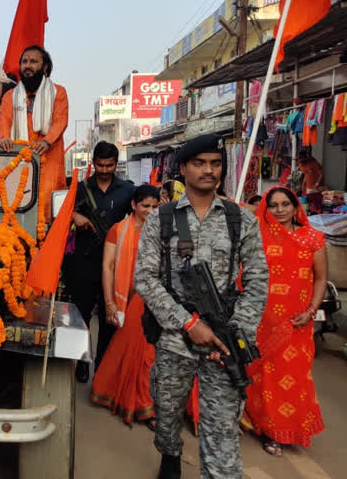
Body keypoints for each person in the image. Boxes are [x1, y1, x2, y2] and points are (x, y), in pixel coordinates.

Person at [135, 133, 269, 479]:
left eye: (216, 164)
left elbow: (257, 280)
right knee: (166, 416)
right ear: (183, 168)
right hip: (174, 340)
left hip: (224, 343)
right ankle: (170, 453)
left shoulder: (241, 220)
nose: (209, 170)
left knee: (223, 435)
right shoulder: (162, 219)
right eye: (200, 163)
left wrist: (231, 334)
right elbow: (146, 279)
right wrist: (189, 324)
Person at [244, 187, 327, 456]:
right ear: (266, 209)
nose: (280, 210)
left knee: (294, 377)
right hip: (262, 320)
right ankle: (269, 430)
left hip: (297, 322)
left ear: (295, 207)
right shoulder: (257, 238)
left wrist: (312, 310)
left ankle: (287, 426)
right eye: (274, 205)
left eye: (285, 204)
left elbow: (320, 279)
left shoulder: (312, 239)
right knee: (264, 378)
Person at [90, 185, 160, 427]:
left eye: (155, 206)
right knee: (129, 350)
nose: (150, 211)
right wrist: (110, 303)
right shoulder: (118, 230)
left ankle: (144, 405)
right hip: (125, 299)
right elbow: (107, 267)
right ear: (133, 205)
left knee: (148, 354)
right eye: (145, 206)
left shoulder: (163, 232)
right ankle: (123, 397)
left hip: (152, 299)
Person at [68, 141, 135, 381]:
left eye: (109, 165)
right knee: (82, 316)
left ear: (116, 164)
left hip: (116, 264)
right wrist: (75, 216)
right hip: (84, 262)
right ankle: (83, 360)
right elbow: (61, 214)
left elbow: (137, 219)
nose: (105, 170)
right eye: (100, 165)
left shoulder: (127, 190)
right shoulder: (80, 189)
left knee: (110, 318)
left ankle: (103, 366)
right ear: (93, 163)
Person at [0, 46, 68, 221]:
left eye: (33, 61)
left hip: (48, 159)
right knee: (17, 210)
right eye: (24, 62)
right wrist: (4, 138)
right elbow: (4, 121)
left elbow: (61, 121)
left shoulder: (58, 93)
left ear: (45, 67)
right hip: (19, 162)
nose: (27, 66)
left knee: (46, 212)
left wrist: (47, 142)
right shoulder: (10, 96)